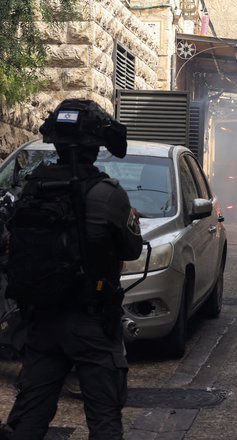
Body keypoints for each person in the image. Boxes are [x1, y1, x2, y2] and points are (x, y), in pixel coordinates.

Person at [3, 99, 143, 439]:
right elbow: (131, 248)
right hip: (91, 321)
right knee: (104, 418)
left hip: (41, 319)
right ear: (97, 146)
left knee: (30, 417)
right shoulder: (106, 193)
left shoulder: (32, 187)